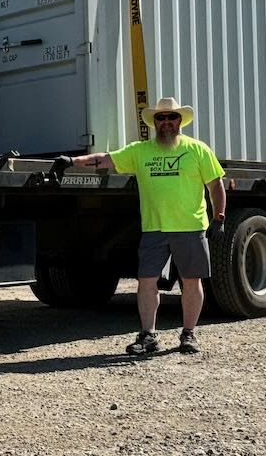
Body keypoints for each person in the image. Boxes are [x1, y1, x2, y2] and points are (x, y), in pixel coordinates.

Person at [60, 96, 226, 355]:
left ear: (180, 121)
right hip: (154, 229)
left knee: (191, 282)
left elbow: (216, 186)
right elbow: (106, 159)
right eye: (161, 118)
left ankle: (189, 334)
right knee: (146, 281)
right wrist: (72, 162)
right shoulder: (140, 151)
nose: (167, 122)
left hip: (190, 227)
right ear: (154, 122)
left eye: (172, 117)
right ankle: (148, 336)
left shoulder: (197, 150)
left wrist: (220, 218)